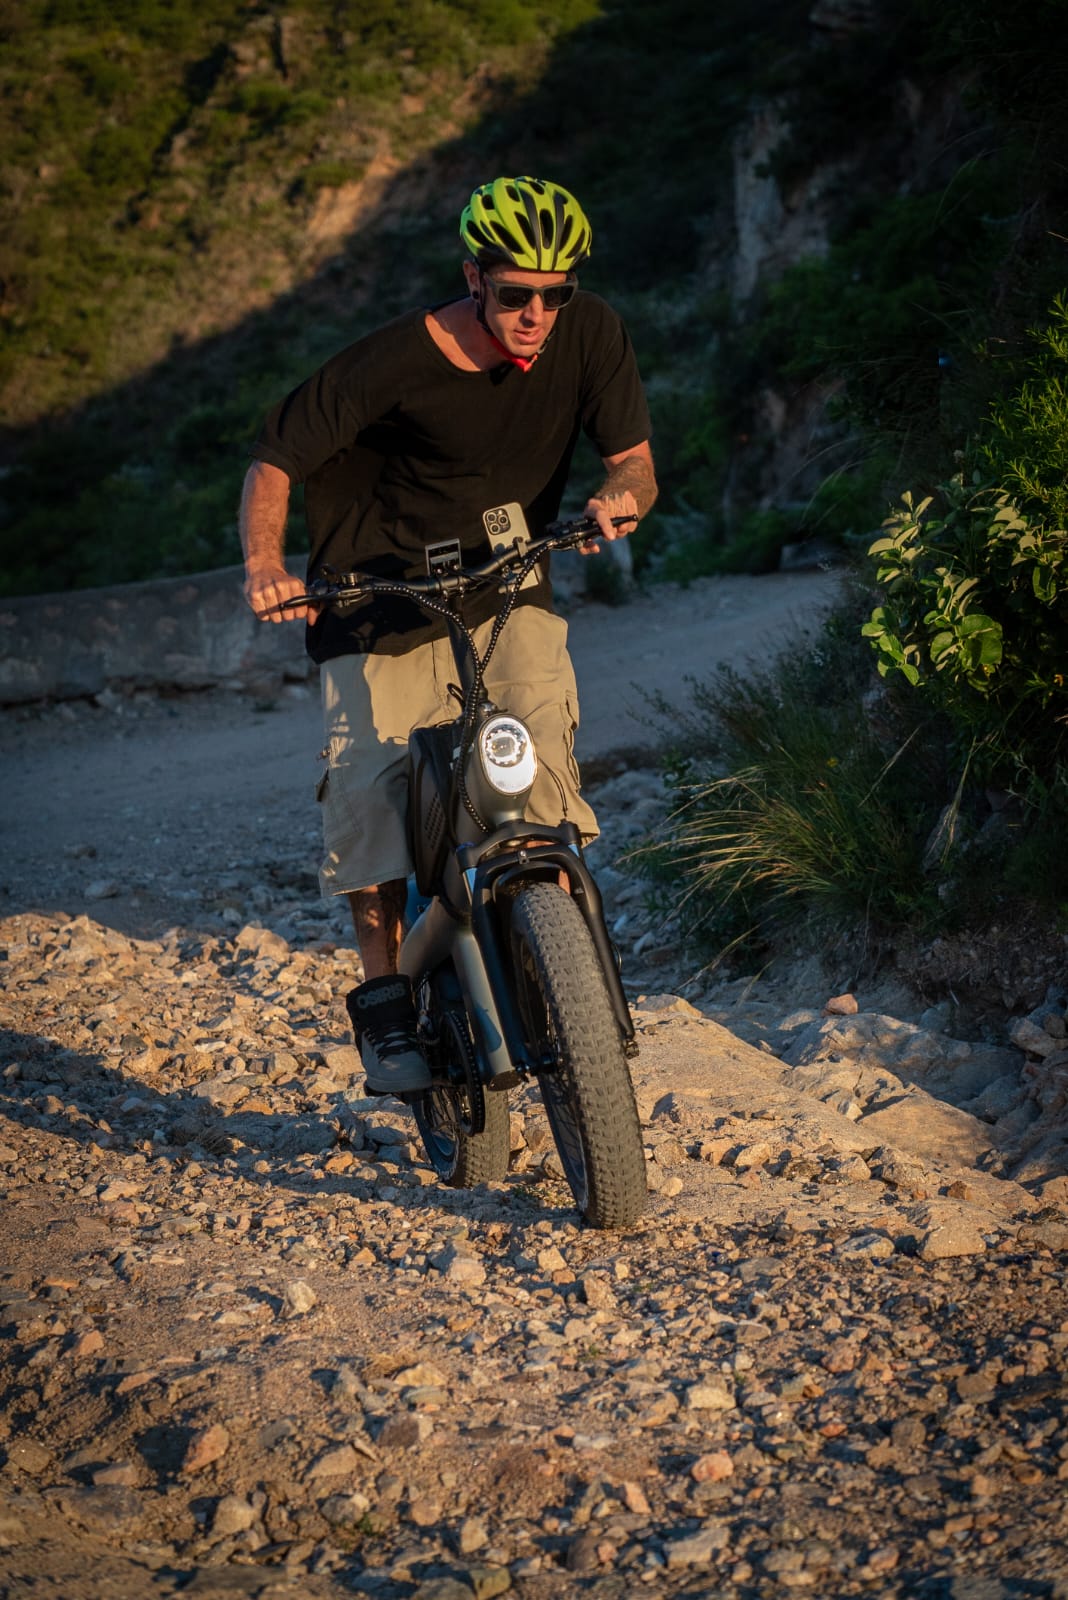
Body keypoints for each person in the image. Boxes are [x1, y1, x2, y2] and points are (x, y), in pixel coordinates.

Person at [240, 175, 657, 1095]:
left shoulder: (590, 334)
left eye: (555, 294)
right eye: (515, 294)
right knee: (371, 803)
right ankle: (388, 1003)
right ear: (475, 278)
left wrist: (620, 497)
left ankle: (565, 985)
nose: (536, 314)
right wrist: (266, 565)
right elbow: (274, 458)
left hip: (505, 583)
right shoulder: (392, 362)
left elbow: (634, 462)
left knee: (542, 781)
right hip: (372, 598)